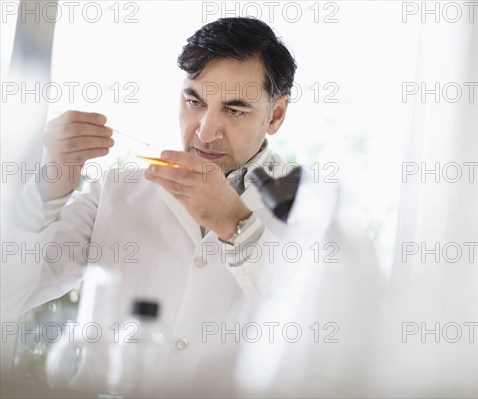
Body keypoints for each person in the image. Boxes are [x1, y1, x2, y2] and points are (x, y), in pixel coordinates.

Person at [5, 17, 305, 395]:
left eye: (234, 110)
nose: (205, 131)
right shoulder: (117, 190)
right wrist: (48, 188)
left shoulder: (310, 210)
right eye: (194, 101)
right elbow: (9, 296)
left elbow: (318, 335)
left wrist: (234, 223)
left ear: (275, 114)